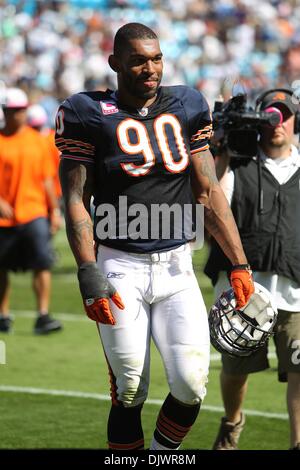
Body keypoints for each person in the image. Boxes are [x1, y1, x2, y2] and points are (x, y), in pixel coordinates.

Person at [56, 22, 254, 450]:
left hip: (177, 263)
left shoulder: (185, 104)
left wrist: (238, 262)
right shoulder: (86, 112)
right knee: (130, 387)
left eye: (157, 58)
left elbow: (207, 190)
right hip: (118, 264)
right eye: (139, 61)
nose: (151, 69)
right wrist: (88, 269)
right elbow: (75, 197)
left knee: (190, 384)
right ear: (115, 64)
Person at [205, 88, 300, 450]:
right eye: (271, 114)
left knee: (299, 369)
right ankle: (232, 422)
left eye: (285, 114)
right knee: (236, 370)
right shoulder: (237, 164)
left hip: (295, 290)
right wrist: (221, 146)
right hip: (245, 291)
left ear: (294, 121)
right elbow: (208, 202)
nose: (278, 122)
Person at [0, 87, 62, 335]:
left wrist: (54, 210)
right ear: (6, 112)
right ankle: (3, 315)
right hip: (4, 217)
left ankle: (43, 315)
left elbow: (47, 178)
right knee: (1, 267)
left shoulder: (38, 141)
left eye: (22, 109)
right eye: (15, 110)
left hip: (34, 210)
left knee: (42, 263)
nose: (20, 114)